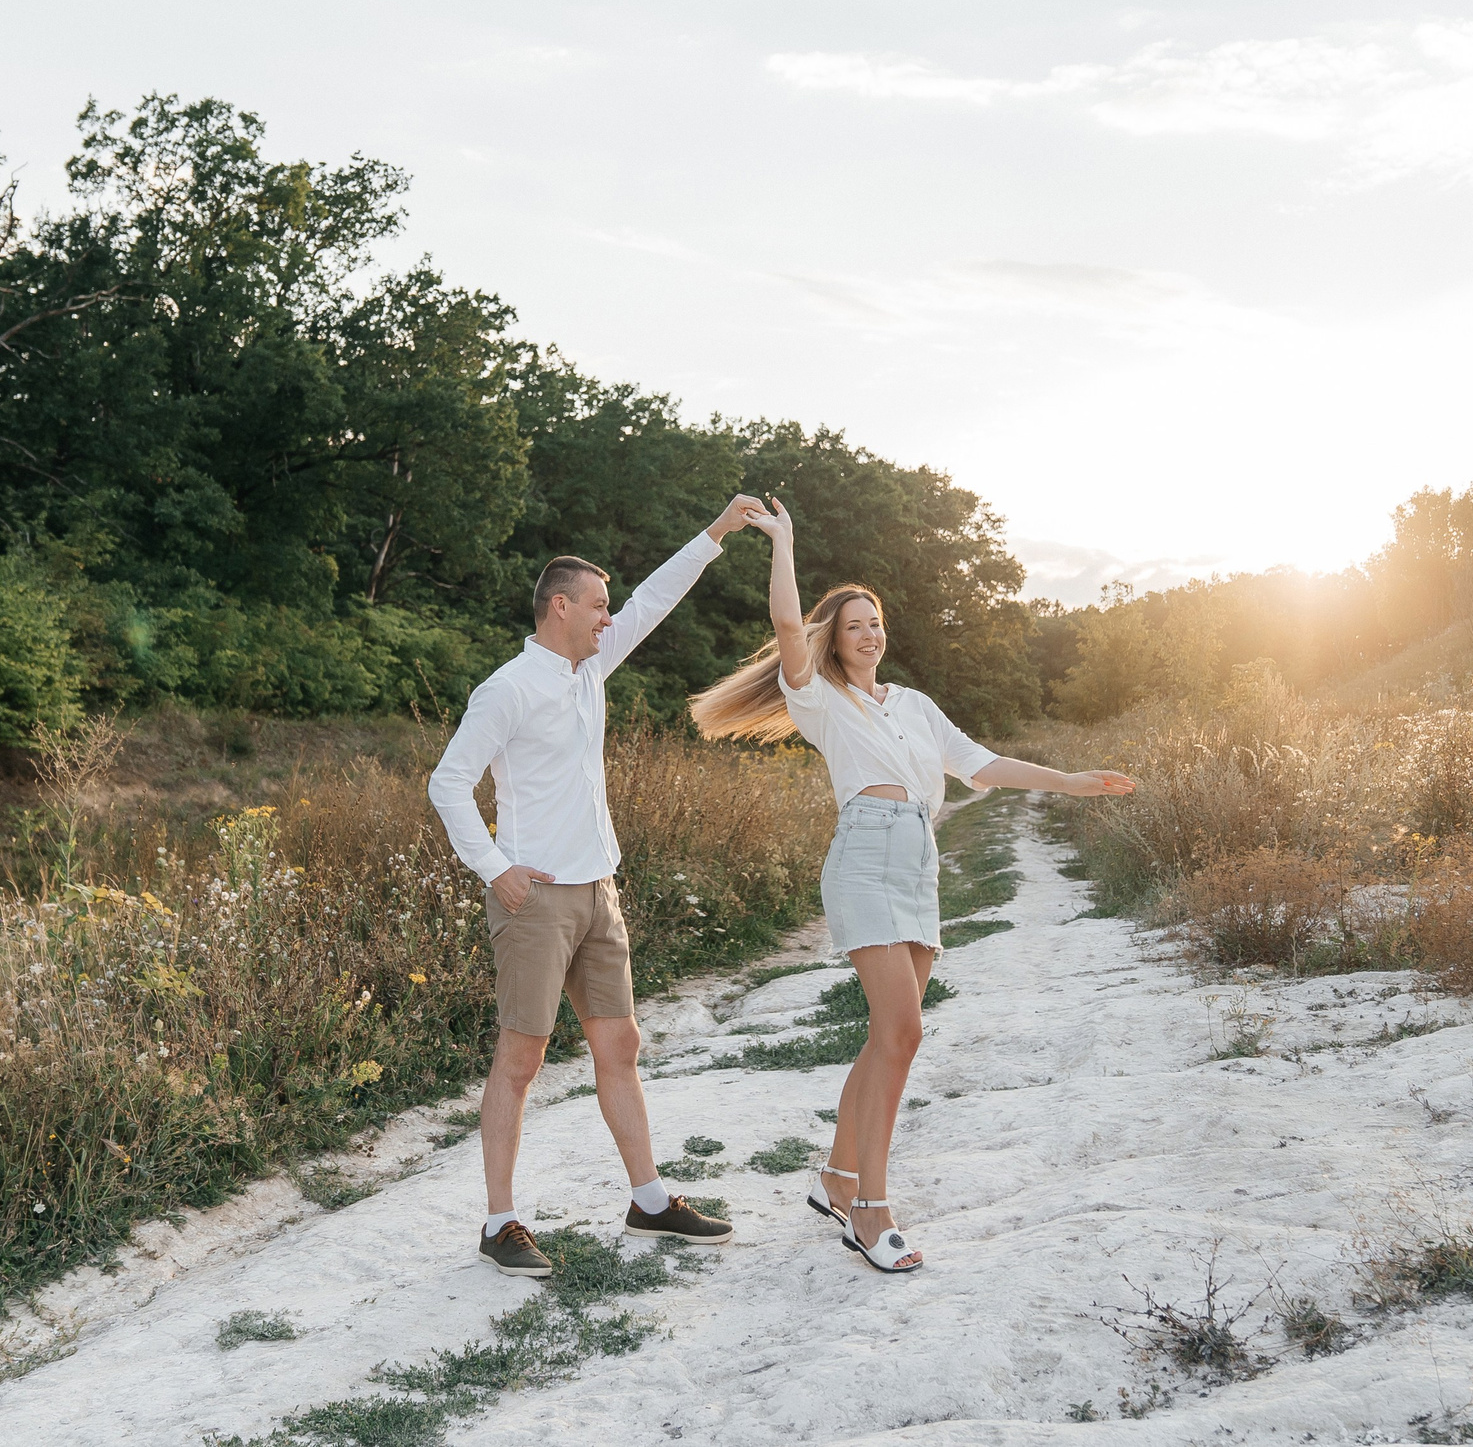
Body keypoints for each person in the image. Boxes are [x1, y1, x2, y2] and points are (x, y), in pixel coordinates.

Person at [689, 498, 1134, 1274]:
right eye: (854, 623)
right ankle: (869, 1208)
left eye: (875, 621)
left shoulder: (915, 706)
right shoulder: (819, 698)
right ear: (836, 638)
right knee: (903, 1033)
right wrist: (784, 543)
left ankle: (835, 1173)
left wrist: (1068, 780)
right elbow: (790, 631)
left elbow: (983, 765)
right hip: (862, 857)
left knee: (885, 1036)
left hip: (918, 861)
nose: (868, 632)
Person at [429, 494, 768, 1277]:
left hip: (597, 892)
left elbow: (653, 599)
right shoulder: (507, 687)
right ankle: (499, 1222)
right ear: (560, 607)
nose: (609, 618)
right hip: (536, 898)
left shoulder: (589, 671)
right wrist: (495, 867)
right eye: (596, 605)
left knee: (620, 1044)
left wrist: (717, 532)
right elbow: (448, 783)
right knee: (521, 1058)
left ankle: (649, 1200)